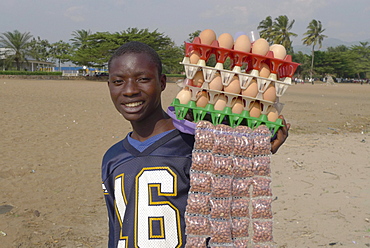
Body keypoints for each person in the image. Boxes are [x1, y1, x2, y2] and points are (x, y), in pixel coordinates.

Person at [101, 41, 290, 248]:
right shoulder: (113, 157)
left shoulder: (198, 144)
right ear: (109, 86)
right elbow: (116, 227)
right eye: (118, 81)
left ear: (162, 82)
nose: (130, 91)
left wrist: (254, 152)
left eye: (143, 79)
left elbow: (230, 204)